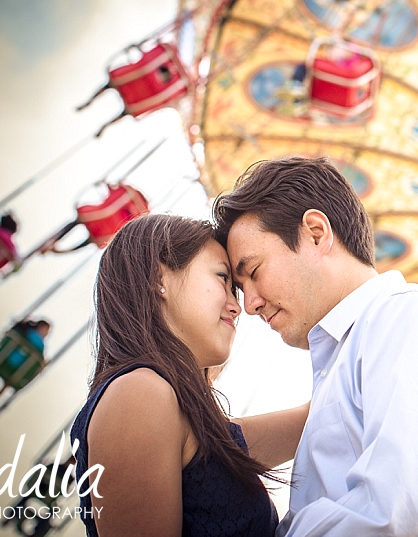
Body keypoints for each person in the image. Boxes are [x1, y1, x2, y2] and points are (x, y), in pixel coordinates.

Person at [213, 157, 418, 536]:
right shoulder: (350, 352)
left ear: (316, 233)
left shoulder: (408, 316)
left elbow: (395, 515)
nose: (250, 304)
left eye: (253, 272)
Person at [69, 214, 310, 536]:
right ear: (159, 278)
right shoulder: (139, 393)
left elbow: (323, 415)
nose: (236, 307)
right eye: (222, 278)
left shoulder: (186, 420)